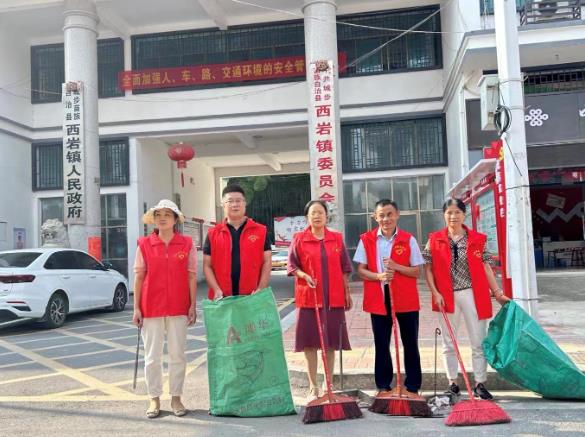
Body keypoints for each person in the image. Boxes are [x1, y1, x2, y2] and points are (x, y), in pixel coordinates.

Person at [423, 198, 507, 400]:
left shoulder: (478, 239)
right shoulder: (434, 239)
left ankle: (479, 383)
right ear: (444, 215)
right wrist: (435, 292)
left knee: (478, 340)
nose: (453, 216)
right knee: (448, 342)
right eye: (449, 213)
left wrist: (497, 292)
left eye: (457, 212)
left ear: (464, 214)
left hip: (473, 293)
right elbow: (428, 268)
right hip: (446, 295)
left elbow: (486, 267)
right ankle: (452, 383)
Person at [132, 199, 197, 419]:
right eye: (158, 215)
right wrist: (136, 308)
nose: (162, 218)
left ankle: (176, 397)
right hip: (151, 307)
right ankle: (154, 398)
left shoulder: (186, 244)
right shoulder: (144, 244)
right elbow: (139, 277)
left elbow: (191, 276)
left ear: (175, 219)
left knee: (178, 355)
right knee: (152, 357)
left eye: (167, 214)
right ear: (153, 219)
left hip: (179, 306)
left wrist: (192, 305)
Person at [353, 199, 424, 395]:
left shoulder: (408, 239)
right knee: (382, 343)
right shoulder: (366, 239)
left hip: (406, 297)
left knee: (410, 342)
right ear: (375, 217)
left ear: (397, 215)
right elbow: (361, 270)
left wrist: (396, 267)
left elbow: (417, 271)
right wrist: (379, 276)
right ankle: (383, 385)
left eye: (390, 214)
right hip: (379, 297)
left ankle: (412, 386)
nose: (386, 219)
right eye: (381, 215)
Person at [287, 200, 352, 401]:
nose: (317, 216)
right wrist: (304, 275)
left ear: (326, 216)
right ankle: (313, 386)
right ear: (307, 217)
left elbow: (345, 267)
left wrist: (346, 292)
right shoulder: (299, 239)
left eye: (320, 212)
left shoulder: (336, 238)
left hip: (333, 298)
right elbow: (292, 266)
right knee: (310, 343)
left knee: (330, 343)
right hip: (309, 297)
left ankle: (328, 384)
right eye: (313, 213)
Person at [203, 185, 271, 299]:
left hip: (252, 297)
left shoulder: (261, 231)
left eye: (238, 201)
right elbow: (207, 266)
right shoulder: (213, 233)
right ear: (223, 205)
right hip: (222, 298)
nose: (235, 204)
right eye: (230, 201)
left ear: (245, 203)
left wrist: (261, 288)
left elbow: (267, 261)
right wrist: (216, 289)